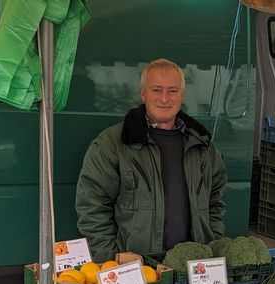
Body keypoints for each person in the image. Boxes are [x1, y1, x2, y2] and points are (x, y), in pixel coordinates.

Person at [75, 58, 227, 262]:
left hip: (193, 267)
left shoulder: (202, 146)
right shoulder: (111, 144)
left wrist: (213, 241)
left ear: (182, 94)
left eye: (172, 90)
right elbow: (91, 206)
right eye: (156, 90)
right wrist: (112, 258)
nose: (164, 99)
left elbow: (216, 202)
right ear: (143, 93)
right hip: (138, 267)